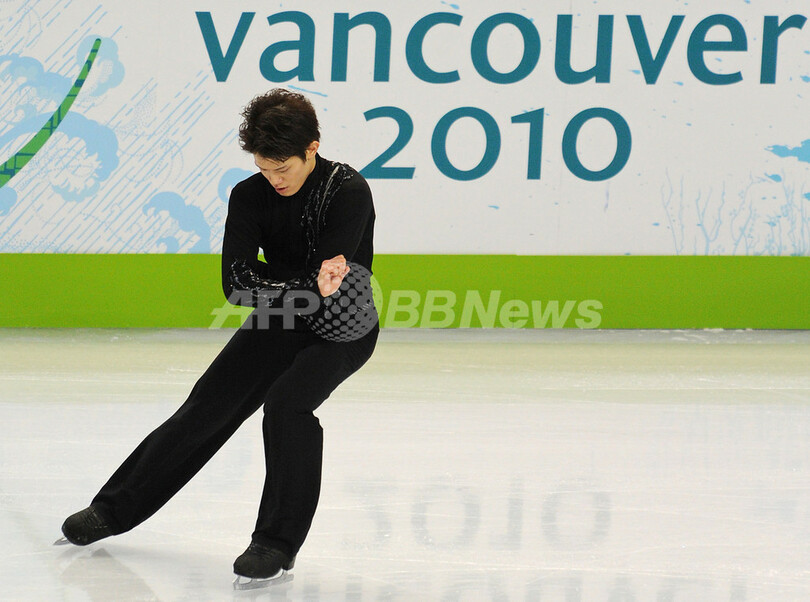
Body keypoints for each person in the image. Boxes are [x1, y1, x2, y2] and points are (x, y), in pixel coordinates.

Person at [58, 88, 379, 587]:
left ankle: (276, 544)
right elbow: (236, 285)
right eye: (264, 168)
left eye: (283, 169)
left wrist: (280, 282)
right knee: (207, 405)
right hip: (281, 316)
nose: (274, 180)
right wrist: (297, 284)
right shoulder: (249, 196)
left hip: (343, 326)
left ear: (312, 148)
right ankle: (111, 510)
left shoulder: (347, 190)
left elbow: (327, 285)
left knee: (287, 405)